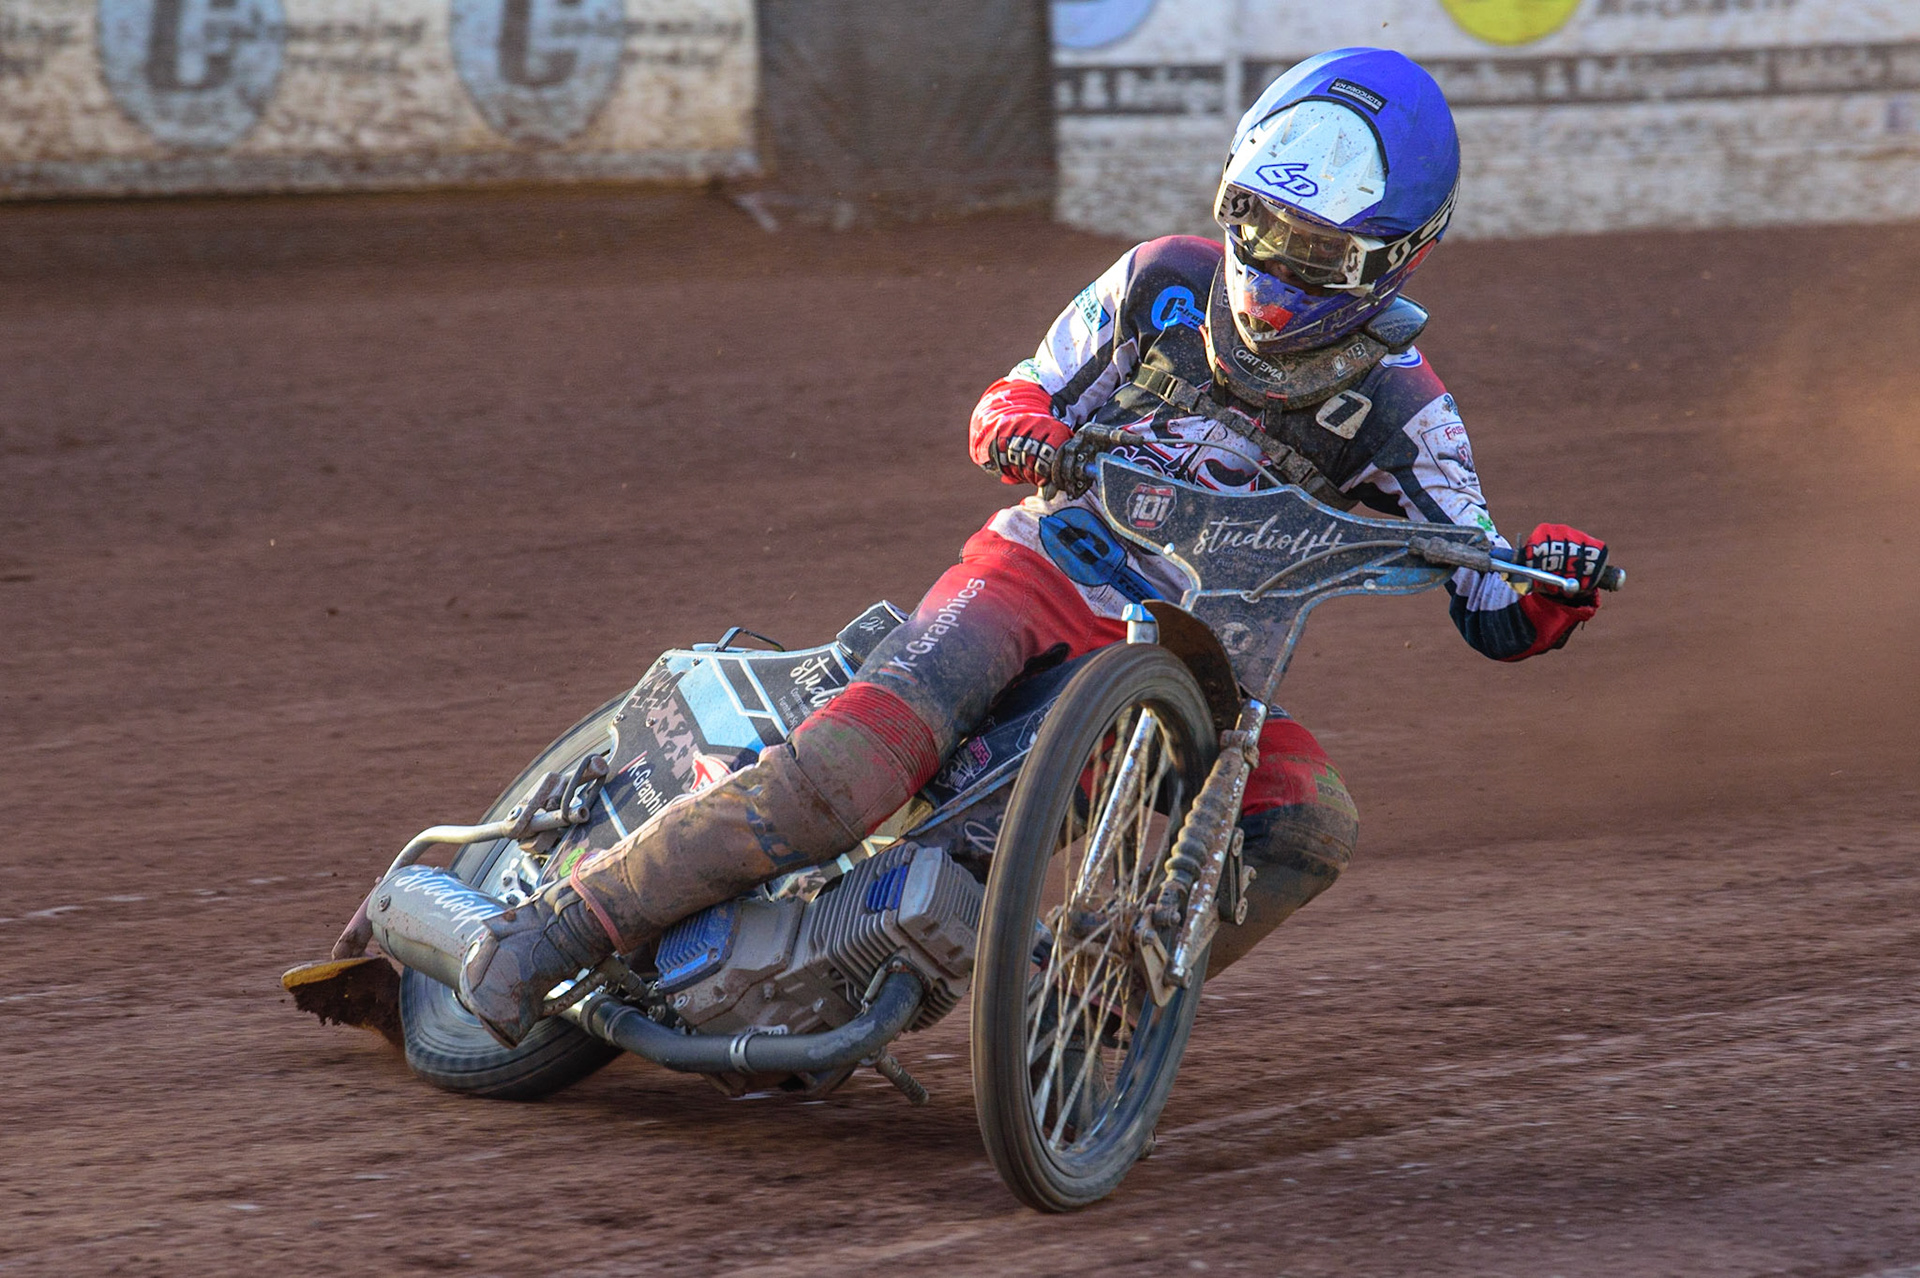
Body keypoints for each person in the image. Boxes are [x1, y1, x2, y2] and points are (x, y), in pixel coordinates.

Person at [459, 47, 1611, 1048]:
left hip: (1207, 680)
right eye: (1255, 221)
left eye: (1314, 252)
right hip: (1041, 572)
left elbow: (1490, 595)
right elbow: (1017, 391)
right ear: (1229, 195)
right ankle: (555, 923)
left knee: (1312, 823)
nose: (1269, 266)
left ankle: (1094, 1007)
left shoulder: (1411, 413)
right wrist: (1024, 425)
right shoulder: (1164, 282)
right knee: (843, 785)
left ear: (1398, 256)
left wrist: (1548, 581)